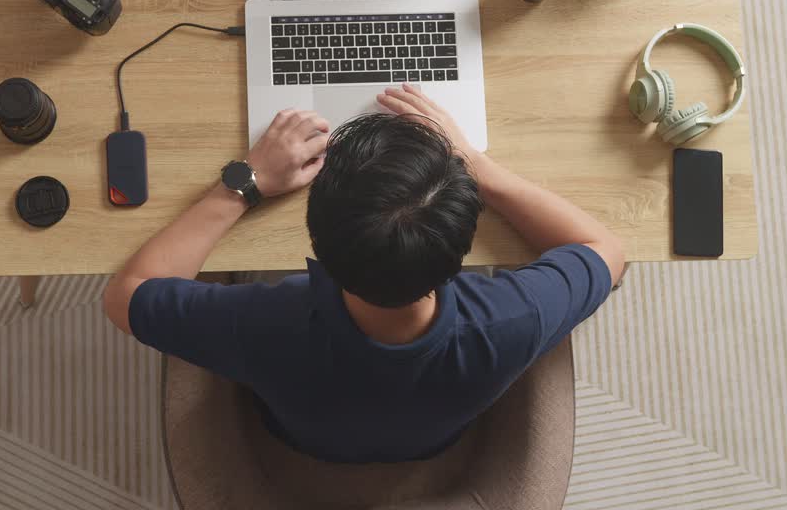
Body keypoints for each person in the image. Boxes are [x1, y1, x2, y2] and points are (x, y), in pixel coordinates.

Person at [102, 84, 625, 464]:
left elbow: (125, 297)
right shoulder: (513, 319)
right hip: (432, 442)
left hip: (302, 439)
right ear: (460, 247)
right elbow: (604, 249)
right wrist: (471, 162)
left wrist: (246, 182)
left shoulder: (262, 324)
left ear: (314, 238)